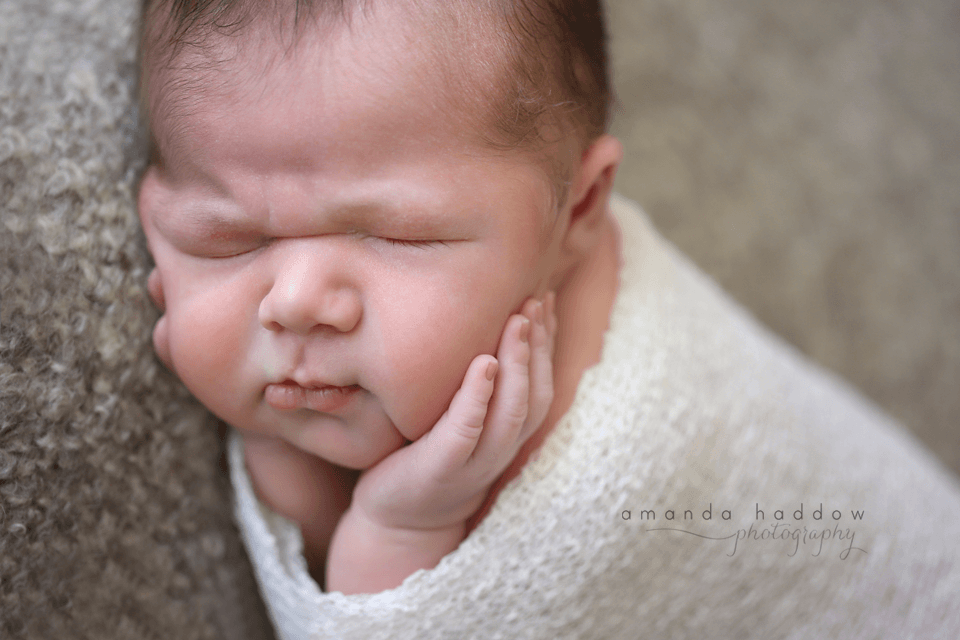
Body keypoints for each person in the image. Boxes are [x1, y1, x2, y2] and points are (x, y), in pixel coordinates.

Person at [137, 0, 960, 637]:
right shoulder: (450, 314)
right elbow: (307, 529)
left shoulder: (610, 456)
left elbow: (392, 618)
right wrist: (270, 435)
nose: (295, 303)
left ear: (578, 213)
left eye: (396, 234)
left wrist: (400, 528)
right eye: (228, 238)